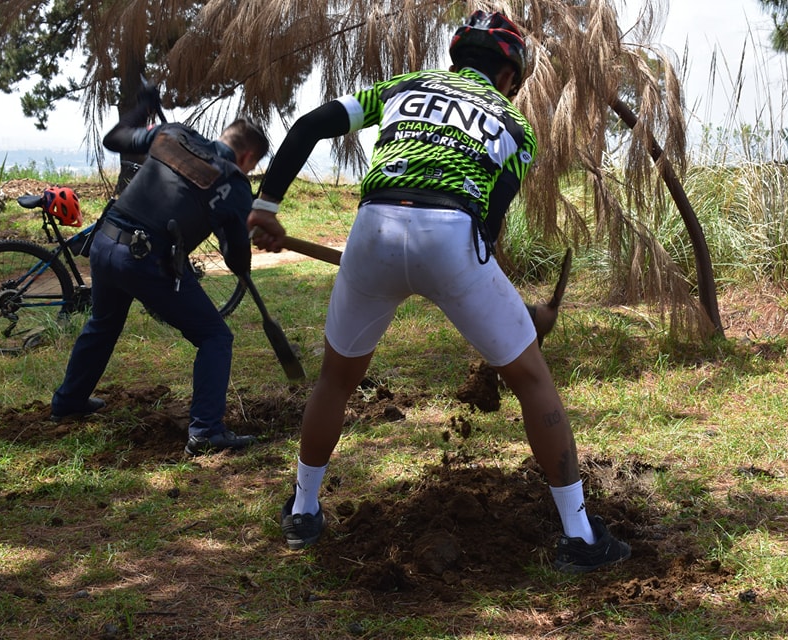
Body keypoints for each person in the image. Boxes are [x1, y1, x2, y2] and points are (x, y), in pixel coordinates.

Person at [247, 11, 630, 573]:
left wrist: (266, 206)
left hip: (372, 229)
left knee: (336, 378)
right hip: (452, 232)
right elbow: (488, 233)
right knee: (531, 379)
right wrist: (524, 320)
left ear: (456, 59)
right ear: (509, 77)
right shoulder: (515, 128)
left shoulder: (404, 87)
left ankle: (303, 512)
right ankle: (579, 535)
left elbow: (308, 125)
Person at [51, 87, 269, 457]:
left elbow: (115, 138)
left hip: (104, 244)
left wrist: (141, 107)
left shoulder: (174, 134)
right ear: (247, 156)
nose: (247, 170)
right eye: (251, 164)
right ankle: (205, 432)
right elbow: (237, 261)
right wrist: (241, 229)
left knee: (102, 324)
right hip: (143, 259)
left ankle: (68, 401)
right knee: (215, 337)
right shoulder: (233, 183)